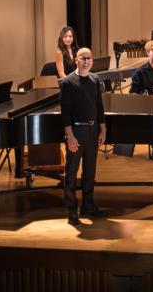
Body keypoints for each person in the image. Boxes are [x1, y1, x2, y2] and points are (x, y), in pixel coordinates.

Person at [59, 48, 108, 224]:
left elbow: (99, 107)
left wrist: (103, 129)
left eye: (89, 58)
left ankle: (88, 205)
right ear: (76, 60)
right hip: (76, 132)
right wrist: (70, 136)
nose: (86, 61)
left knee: (90, 171)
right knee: (71, 173)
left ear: (92, 61)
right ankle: (72, 209)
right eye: (82, 58)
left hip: (93, 131)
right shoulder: (68, 82)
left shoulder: (95, 80)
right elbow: (65, 113)